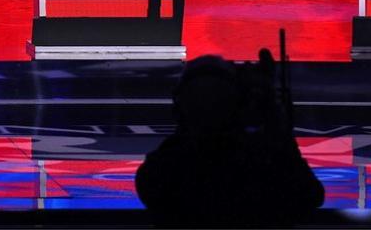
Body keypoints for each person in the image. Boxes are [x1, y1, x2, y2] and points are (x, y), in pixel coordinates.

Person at [135, 53, 324, 227]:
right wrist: (277, 128)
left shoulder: (160, 172)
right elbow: (309, 199)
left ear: (181, 108)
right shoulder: (262, 167)